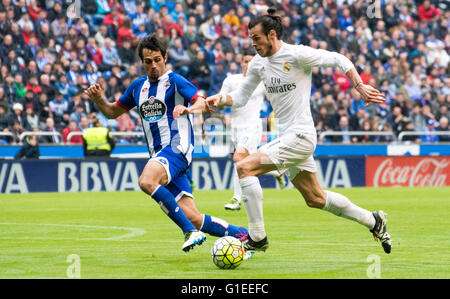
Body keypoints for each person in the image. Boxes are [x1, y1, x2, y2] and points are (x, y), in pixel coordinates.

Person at [206, 8, 392, 254]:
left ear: (272, 34)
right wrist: (219, 100)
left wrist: (359, 86)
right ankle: (373, 220)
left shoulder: (297, 54)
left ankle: (257, 237)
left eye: (256, 38)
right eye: (250, 39)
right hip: (288, 138)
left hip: (302, 135)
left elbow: (339, 59)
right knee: (315, 198)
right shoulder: (258, 64)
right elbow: (240, 97)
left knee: (244, 167)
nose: (253, 44)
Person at [84, 34, 248, 253]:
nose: (153, 65)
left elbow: (201, 101)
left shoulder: (176, 81)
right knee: (194, 216)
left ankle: (190, 232)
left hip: (177, 148)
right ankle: (244, 236)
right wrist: (99, 101)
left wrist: (188, 109)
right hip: (160, 156)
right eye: (148, 61)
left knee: (146, 180)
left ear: (165, 57)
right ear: (142, 62)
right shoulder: (137, 87)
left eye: (157, 60)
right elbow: (113, 112)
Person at [219, 48, 285, 211]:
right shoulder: (231, 80)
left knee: (238, 159)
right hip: (235, 128)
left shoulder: (261, 83)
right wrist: (222, 111)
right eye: (245, 61)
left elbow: (275, 99)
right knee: (248, 163)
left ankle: (236, 199)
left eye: (251, 61)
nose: (248, 64)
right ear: (241, 62)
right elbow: (220, 98)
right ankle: (276, 171)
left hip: (253, 127)